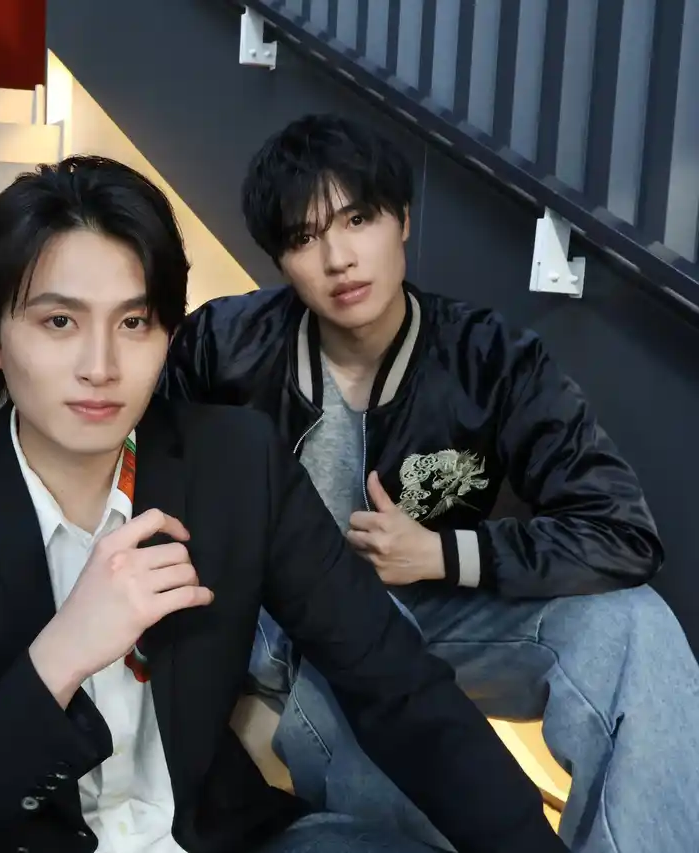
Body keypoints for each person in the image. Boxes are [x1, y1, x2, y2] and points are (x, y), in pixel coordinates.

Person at [0, 154, 566, 853]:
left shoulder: (237, 461)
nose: (101, 367)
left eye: (134, 323)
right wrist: (59, 657)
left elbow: (397, 684)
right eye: (60, 323)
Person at [160, 113, 699, 852]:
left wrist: (446, 553)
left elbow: (622, 532)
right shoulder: (223, 346)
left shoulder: (491, 360)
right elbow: (142, 477)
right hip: (290, 627)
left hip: (433, 611)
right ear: (280, 259)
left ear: (403, 220)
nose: (340, 258)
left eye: (358, 219)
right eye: (305, 237)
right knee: (383, 709)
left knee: (633, 624)